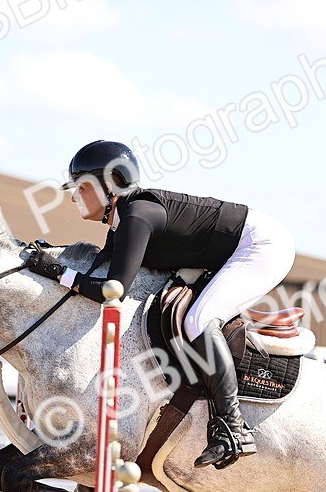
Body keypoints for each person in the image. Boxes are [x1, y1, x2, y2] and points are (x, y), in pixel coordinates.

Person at [30, 140, 296, 469]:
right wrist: (51, 258)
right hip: (235, 246)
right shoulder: (122, 219)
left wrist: (55, 271)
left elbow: (112, 290)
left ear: (109, 184)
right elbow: (100, 269)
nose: (73, 195)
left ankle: (233, 428)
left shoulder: (137, 214)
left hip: (260, 245)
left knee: (199, 320)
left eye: (81, 186)